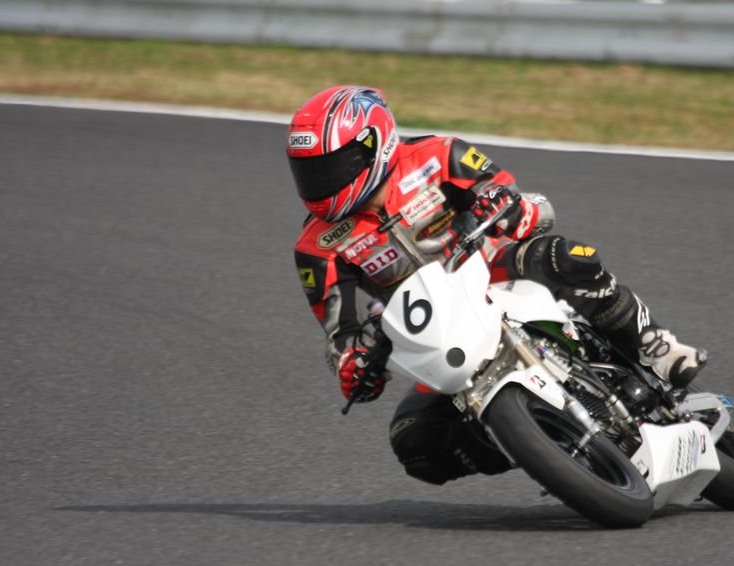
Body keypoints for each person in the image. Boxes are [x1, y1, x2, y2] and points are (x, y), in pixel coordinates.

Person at [289, 85, 706, 486]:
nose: (320, 181)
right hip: (438, 334)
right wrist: (353, 365)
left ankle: (653, 343)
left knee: (564, 256)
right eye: (308, 171)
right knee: (413, 442)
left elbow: (513, 196)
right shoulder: (316, 247)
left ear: (374, 143)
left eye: (331, 166)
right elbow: (340, 334)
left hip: (495, 272)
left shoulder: (437, 155)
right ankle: (536, 443)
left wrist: (503, 203)